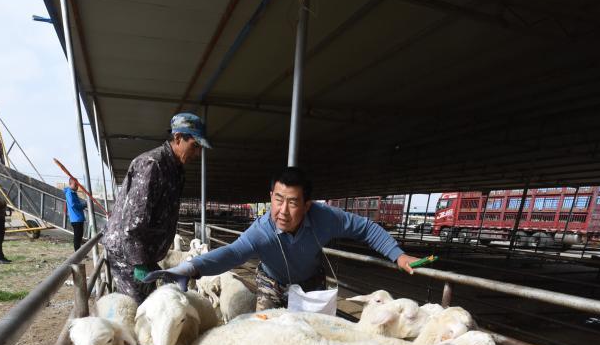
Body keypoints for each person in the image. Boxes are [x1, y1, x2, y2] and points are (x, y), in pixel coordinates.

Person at [154, 167, 419, 309]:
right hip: (272, 282)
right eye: (278, 200)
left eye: (292, 202)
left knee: (313, 335)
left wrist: (398, 255)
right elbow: (233, 253)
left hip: (310, 281)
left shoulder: (325, 218)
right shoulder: (261, 231)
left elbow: (366, 228)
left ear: (307, 205)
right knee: (267, 331)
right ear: (271, 196)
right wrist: (193, 267)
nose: (282, 210)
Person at [103, 112, 210, 301]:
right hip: (128, 255)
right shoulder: (152, 165)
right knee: (138, 308)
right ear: (178, 137)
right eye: (195, 146)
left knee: (154, 302)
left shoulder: (176, 170)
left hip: (146, 254)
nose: (197, 154)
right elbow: (134, 220)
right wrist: (139, 263)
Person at [64, 176, 87, 251]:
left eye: (77, 184)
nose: (77, 186)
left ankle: (79, 252)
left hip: (78, 218)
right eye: (75, 184)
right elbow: (73, 205)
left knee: (79, 236)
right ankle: (77, 253)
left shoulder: (73, 193)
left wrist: (83, 204)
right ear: (70, 184)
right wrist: (83, 205)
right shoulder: (69, 193)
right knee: (77, 237)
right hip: (76, 218)